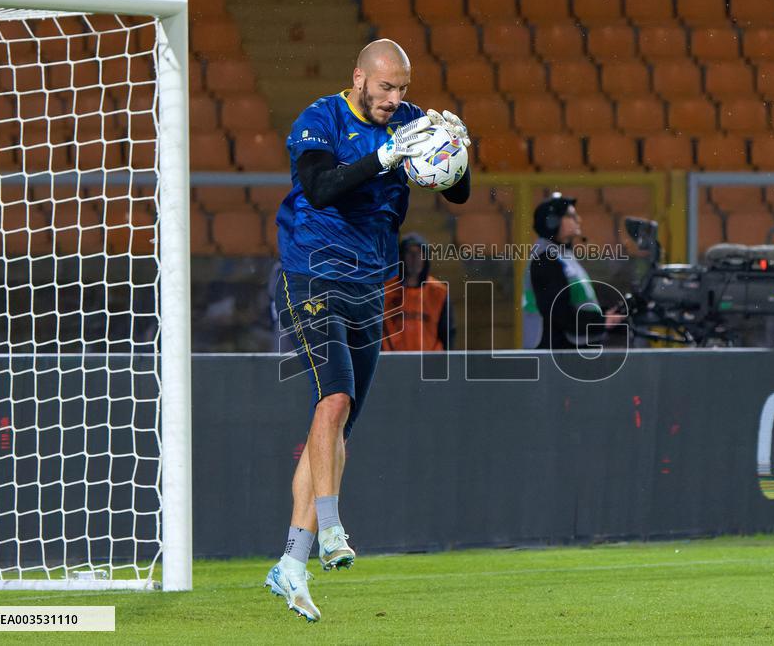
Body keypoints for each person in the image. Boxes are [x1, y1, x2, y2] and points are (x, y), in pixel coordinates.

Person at [265, 39, 471, 622]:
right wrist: (383, 159)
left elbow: (458, 192)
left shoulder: (409, 122)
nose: (396, 99)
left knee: (334, 425)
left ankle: (291, 564)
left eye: (403, 88)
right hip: (310, 274)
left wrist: (455, 155)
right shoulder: (320, 119)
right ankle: (331, 528)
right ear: (359, 78)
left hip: (371, 285)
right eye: (386, 88)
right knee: (333, 399)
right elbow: (320, 187)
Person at [522, 192, 624, 350]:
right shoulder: (546, 259)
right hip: (555, 353)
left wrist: (603, 316)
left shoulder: (560, 256)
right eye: (570, 216)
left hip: (567, 350)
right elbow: (560, 313)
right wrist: (601, 322)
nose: (578, 220)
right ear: (552, 222)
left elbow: (576, 304)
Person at [381, 233, 455, 351]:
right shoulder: (386, 290)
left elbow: (447, 334)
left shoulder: (439, 292)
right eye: (409, 253)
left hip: (429, 364)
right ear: (402, 257)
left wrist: (444, 364)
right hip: (392, 363)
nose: (414, 258)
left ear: (426, 257)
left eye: (419, 253)